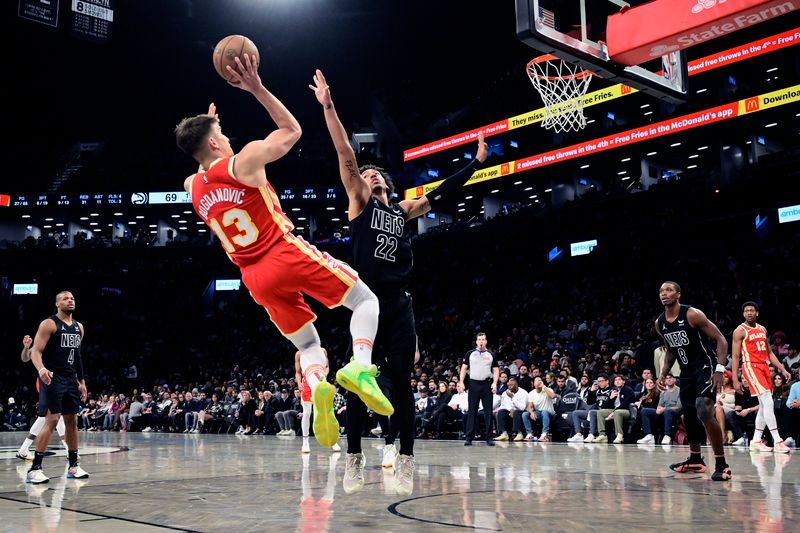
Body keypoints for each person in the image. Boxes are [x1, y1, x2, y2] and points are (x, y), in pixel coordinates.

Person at [174, 54, 392, 449]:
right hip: (282, 250)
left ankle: (317, 385)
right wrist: (255, 87)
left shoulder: (192, 186)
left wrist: (208, 129)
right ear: (212, 141)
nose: (227, 136)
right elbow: (291, 130)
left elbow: (201, 162)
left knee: (309, 345)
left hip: (253, 278)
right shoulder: (243, 163)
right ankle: (361, 367)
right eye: (221, 132)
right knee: (365, 300)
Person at [309, 68, 487, 495]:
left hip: (400, 305)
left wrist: (475, 164)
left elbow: (442, 192)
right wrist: (329, 107)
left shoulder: (403, 212)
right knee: (356, 379)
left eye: (375, 174)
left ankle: (405, 456)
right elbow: (343, 153)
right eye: (364, 174)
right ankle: (353, 456)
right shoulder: (360, 203)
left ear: (387, 183)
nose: (368, 175)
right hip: (364, 303)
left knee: (403, 385)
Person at [655, 281, 731, 481]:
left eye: (669, 290)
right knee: (687, 415)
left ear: (678, 294)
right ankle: (696, 459)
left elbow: (721, 339)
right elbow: (671, 350)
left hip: (705, 367)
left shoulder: (692, 314)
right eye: (661, 291)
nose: (664, 293)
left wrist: (720, 369)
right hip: (686, 372)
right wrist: (663, 372)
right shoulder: (660, 322)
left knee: (703, 408)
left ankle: (722, 464)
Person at [26, 291, 89, 484]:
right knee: (52, 419)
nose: (70, 300)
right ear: (57, 304)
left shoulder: (79, 327)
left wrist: (82, 381)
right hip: (52, 378)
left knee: (72, 421)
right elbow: (36, 351)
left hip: (71, 379)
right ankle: (35, 468)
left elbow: (77, 356)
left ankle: (73, 466)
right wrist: (42, 369)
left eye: (72, 298)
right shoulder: (49, 324)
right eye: (65, 299)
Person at [730, 302, 792, 453]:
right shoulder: (740, 330)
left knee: (764, 405)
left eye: (752, 310)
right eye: (746, 311)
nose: (749, 313)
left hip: (764, 366)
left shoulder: (762, 329)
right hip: (751, 366)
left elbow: (769, 353)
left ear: (757, 313)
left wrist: (782, 368)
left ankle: (756, 440)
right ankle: (777, 440)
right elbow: (736, 355)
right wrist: (735, 379)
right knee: (768, 402)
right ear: (743, 314)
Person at [17, 335, 69, 460]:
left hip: (57, 381)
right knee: (54, 415)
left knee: (51, 416)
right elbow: (25, 358)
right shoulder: (41, 344)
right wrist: (26, 347)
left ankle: (24, 449)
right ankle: (69, 449)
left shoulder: (60, 346)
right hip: (45, 381)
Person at [294, 350, 341, 453]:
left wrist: (324, 373)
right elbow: (298, 372)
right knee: (307, 413)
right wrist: (298, 383)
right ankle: (305, 442)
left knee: (326, 411)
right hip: (306, 383)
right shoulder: (299, 353)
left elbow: (327, 366)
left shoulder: (322, 351)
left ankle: (332, 441)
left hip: (320, 380)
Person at [459, 333, 499, 447]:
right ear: (476, 341)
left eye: (483, 339)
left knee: (488, 412)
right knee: (472, 411)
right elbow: (464, 368)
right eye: (479, 339)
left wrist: (495, 383)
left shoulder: (491, 354)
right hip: (473, 384)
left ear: (486, 341)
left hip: (487, 384)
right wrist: (461, 382)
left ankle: (489, 437)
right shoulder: (470, 353)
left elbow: (496, 370)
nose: (481, 341)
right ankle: (469, 437)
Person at [522, 376, 556, 442]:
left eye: (540, 380)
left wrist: (544, 387)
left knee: (544, 412)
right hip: (539, 413)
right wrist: (532, 412)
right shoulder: (532, 393)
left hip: (550, 414)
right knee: (525, 414)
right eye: (537, 381)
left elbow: (553, 396)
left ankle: (544, 434)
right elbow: (530, 406)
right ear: (533, 384)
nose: (539, 382)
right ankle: (529, 434)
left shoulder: (548, 389)